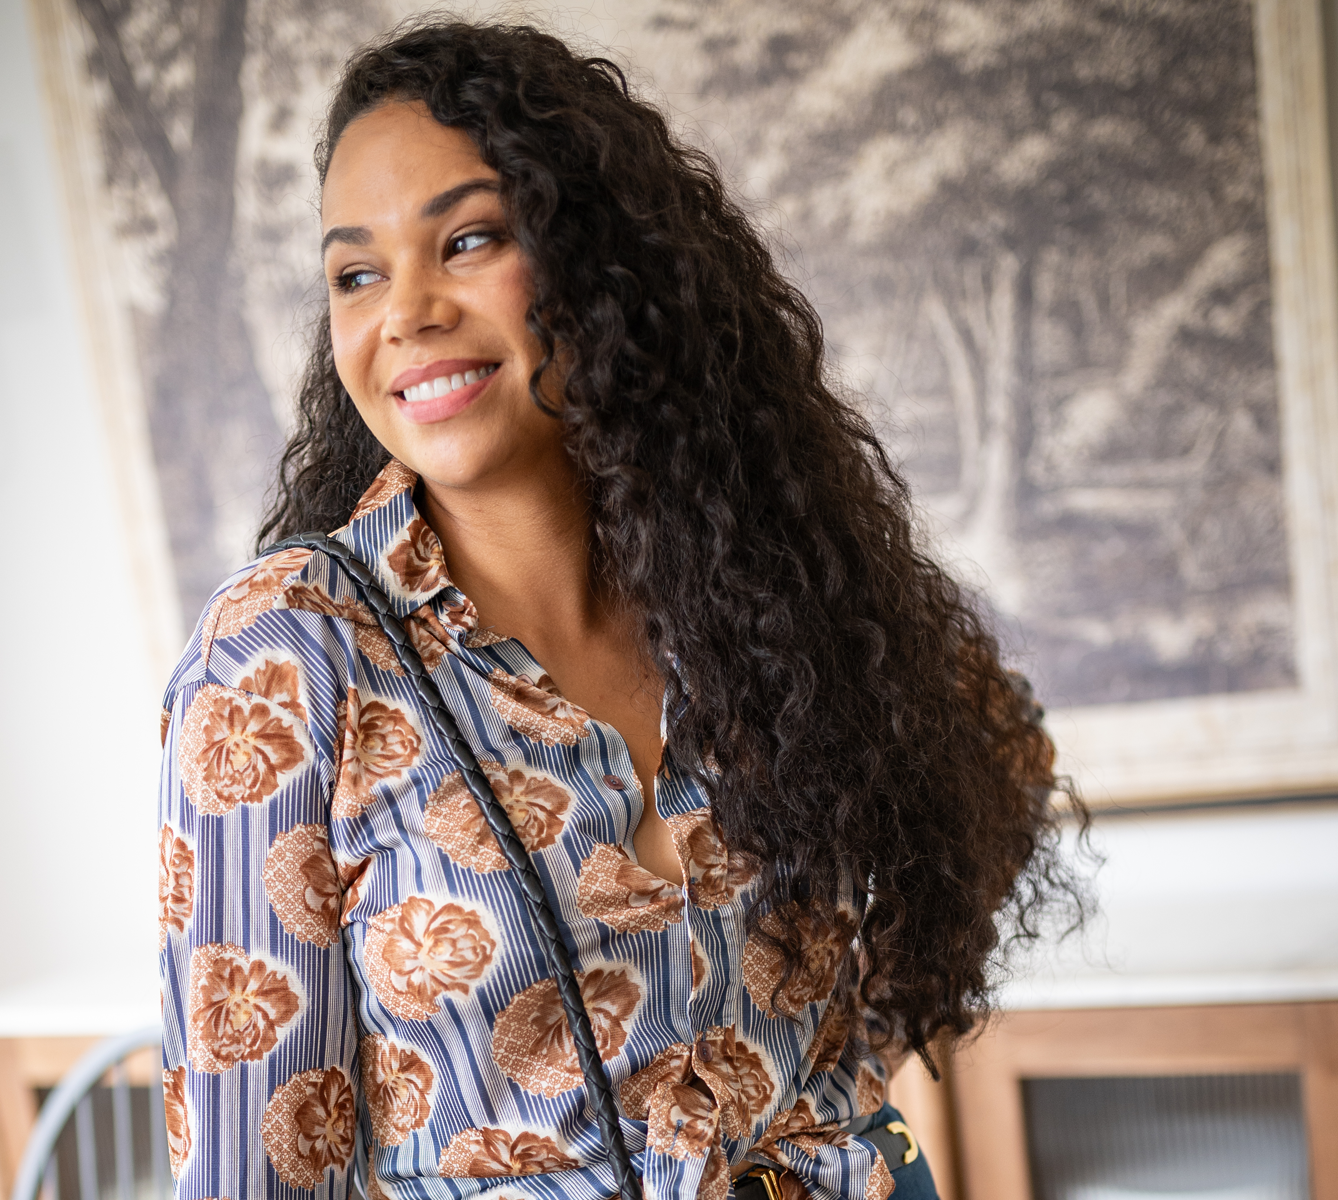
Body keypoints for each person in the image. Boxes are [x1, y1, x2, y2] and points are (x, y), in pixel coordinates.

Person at [156, 19, 1084, 1200]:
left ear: (597, 265)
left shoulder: (762, 589)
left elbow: (991, 762)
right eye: (357, 273)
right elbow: (256, 1173)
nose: (408, 310)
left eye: (471, 239)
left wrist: (825, 1099)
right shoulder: (288, 654)